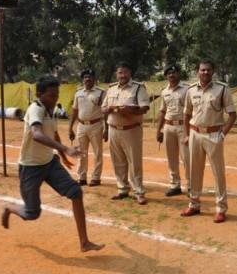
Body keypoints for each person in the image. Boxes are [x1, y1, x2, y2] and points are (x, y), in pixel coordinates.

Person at [1, 74, 105, 253]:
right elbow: (37, 134)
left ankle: (84, 242)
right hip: (30, 166)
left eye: (57, 95)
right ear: (40, 94)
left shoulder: (51, 110)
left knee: (76, 192)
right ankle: (9, 208)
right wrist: (65, 148)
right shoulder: (35, 108)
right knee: (32, 213)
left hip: (49, 163)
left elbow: (54, 133)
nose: (55, 98)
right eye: (51, 95)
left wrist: (62, 156)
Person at [181, 59, 237, 223]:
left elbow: (232, 114)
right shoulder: (191, 90)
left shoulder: (222, 89)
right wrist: (186, 135)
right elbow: (186, 115)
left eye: (208, 70)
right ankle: (194, 204)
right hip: (195, 134)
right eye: (202, 70)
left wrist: (223, 134)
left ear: (213, 72)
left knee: (218, 173)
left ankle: (221, 208)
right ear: (197, 71)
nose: (205, 73)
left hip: (214, 135)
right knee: (194, 171)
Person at [101, 61, 150, 205]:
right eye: (120, 73)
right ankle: (122, 189)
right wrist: (106, 110)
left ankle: (139, 192)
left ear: (130, 73)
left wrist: (130, 110)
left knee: (134, 162)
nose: (122, 75)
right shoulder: (111, 89)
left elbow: (144, 108)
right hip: (114, 128)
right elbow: (103, 107)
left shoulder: (138, 88)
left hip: (131, 129)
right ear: (116, 74)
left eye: (125, 72)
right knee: (118, 161)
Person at [68, 68, 108, 186]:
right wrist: (70, 128)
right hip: (81, 125)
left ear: (94, 78)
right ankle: (82, 177)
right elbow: (74, 111)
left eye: (90, 77)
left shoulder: (101, 92)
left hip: (96, 125)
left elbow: (105, 112)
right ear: (83, 79)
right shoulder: (78, 93)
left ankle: (96, 177)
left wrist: (107, 129)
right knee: (81, 152)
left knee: (97, 153)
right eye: (85, 77)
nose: (88, 79)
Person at [156, 64, 191, 197]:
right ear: (166, 75)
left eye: (174, 72)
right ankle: (175, 184)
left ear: (178, 74)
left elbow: (191, 110)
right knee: (171, 158)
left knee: (186, 158)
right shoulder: (165, 91)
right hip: (168, 126)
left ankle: (190, 185)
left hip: (183, 127)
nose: (171, 75)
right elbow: (162, 111)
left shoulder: (187, 89)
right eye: (169, 73)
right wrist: (158, 129)